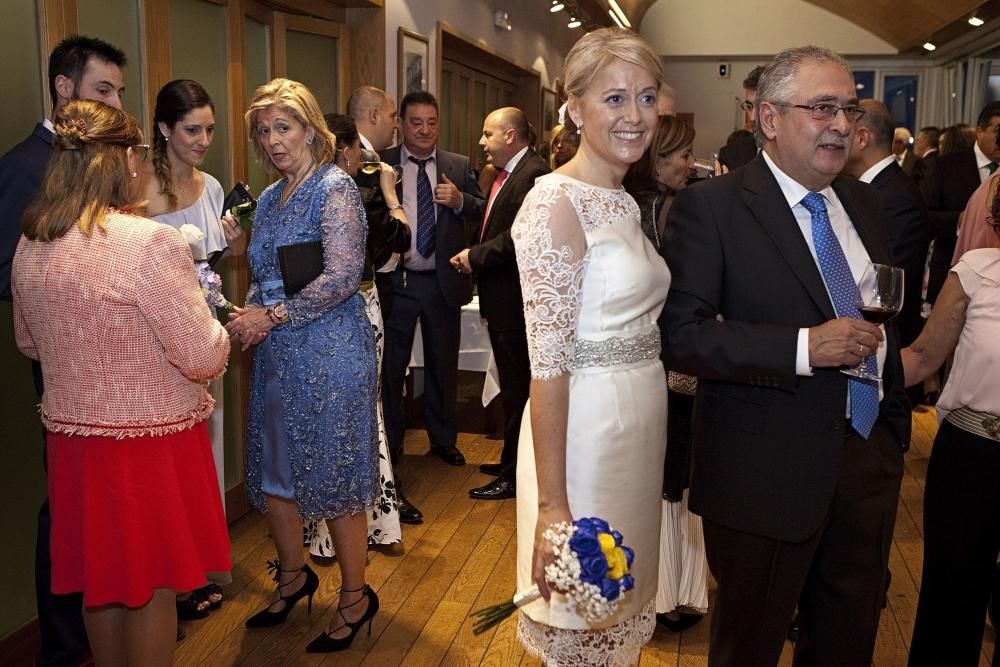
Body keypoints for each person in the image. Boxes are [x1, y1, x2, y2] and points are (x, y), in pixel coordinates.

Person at [660, 46, 911, 666]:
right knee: (749, 647)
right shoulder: (711, 208)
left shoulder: (860, 201)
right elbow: (682, 336)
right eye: (820, 107)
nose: (840, 124)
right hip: (763, 475)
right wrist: (805, 347)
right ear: (768, 119)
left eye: (847, 109)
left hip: (866, 461)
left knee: (845, 645)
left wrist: (891, 432)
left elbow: (881, 316)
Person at [13, 99, 231, 666]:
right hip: (148, 442)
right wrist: (213, 318)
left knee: (101, 583)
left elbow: (28, 341)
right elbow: (203, 354)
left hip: (73, 443)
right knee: (151, 589)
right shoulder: (148, 243)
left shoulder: (31, 243)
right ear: (122, 161)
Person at [512, 27, 669, 665]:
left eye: (648, 96)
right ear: (574, 108)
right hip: (586, 439)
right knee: (582, 624)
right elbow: (546, 367)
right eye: (615, 98)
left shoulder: (622, 199)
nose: (635, 116)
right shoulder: (555, 202)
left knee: (620, 618)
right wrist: (554, 506)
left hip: (637, 431)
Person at [227, 78, 379, 653]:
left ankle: (356, 596)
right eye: (263, 131)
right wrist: (251, 304)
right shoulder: (267, 199)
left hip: (331, 351)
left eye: (283, 127)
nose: (272, 140)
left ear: (311, 129)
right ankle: (293, 577)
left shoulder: (334, 188)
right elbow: (267, 273)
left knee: (334, 473)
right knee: (277, 468)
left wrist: (272, 315)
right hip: (278, 353)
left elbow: (342, 277)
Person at [0, 34, 126, 666]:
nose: (115, 103)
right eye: (103, 90)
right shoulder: (23, 165)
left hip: (120, 372)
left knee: (109, 509)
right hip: (60, 370)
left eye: (119, 92)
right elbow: (7, 271)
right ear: (63, 87)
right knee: (69, 510)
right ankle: (64, 643)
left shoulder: (104, 167)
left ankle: (118, 629)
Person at [140, 78, 247, 619]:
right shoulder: (136, 190)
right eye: (191, 129)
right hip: (151, 343)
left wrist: (237, 243)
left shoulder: (210, 187)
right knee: (164, 462)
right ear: (163, 129)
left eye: (209, 129)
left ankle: (197, 566)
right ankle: (166, 580)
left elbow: (214, 263)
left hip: (204, 333)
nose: (203, 139)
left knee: (204, 450)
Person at [304, 112, 405, 557]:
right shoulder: (360, 193)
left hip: (311, 314)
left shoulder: (300, 194)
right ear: (346, 150)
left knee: (328, 413)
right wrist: (389, 191)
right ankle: (372, 523)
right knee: (363, 412)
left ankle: (325, 532)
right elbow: (402, 238)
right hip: (357, 307)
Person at [623, 115, 708, 633]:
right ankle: (670, 591)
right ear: (656, 159)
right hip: (667, 362)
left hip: (656, 361)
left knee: (667, 476)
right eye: (680, 155)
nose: (688, 164)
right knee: (672, 476)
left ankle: (666, 590)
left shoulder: (647, 207)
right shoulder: (663, 210)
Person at [900, 229, 1000, 666]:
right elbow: (922, 358)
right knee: (952, 599)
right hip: (970, 455)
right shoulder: (975, 270)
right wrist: (852, 358)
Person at [379, 91, 485, 470]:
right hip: (398, 283)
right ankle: (391, 444)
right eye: (416, 122)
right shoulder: (382, 165)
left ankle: (443, 439)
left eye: (432, 122)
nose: (424, 130)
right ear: (401, 125)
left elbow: (484, 209)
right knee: (391, 369)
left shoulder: (456, 165)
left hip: (443, 281)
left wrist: (459, 201)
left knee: (443, 365)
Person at [450, 107, 549, 501]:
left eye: (487, 134)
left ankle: (515, 474)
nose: (481, 142)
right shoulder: (512, 174)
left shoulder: (534, 175)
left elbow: (518, 240)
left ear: (510, 136)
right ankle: (511, 460)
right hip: (504, 302)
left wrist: (474, 257)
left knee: (519, 393)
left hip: (515, 302)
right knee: (512, 390)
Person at [346, 85, 423, 525]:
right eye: (392, 115)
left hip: (372, 289)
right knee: (380, 394)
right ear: (374, 114)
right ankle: (382, 493)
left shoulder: (361, 161)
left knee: (382, 391)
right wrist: (393, 200)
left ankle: (381, 489)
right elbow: (395, 237)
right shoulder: (367, 168)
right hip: (371, 291)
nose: (395, 122)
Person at [843, 100, 930, 356]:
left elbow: (882, 286)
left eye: (842, 130)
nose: (834, 137)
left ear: (861, 138)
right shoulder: (872, 189)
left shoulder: (896, 197)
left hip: (888, 351)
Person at [922, 102, 1000, 305]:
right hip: (951, 271)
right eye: (997, 131)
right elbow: (923, 216)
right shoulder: (946, 165)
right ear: (979, 131)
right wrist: (958, 220)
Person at [718, 65, 764, 172]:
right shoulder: (730, 155)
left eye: (760, 107)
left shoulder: (797, 155)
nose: (752, 118)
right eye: (749, 106)